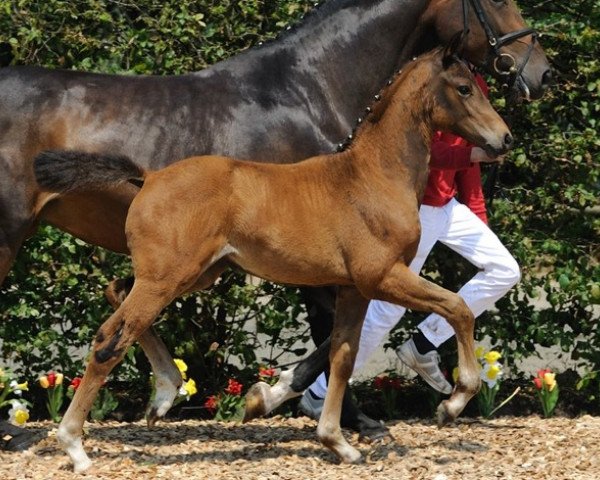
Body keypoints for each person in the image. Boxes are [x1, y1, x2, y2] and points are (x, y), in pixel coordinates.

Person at [299, 72, 521, 416]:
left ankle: (424, 341)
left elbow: (467, 165)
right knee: (386, 308)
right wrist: (474, 156)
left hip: (448, 208)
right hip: (419, 210)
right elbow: (429, 150)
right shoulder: (436, 85)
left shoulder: (476, 86)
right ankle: (319, 392)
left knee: (505, 270)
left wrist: (479, 220)